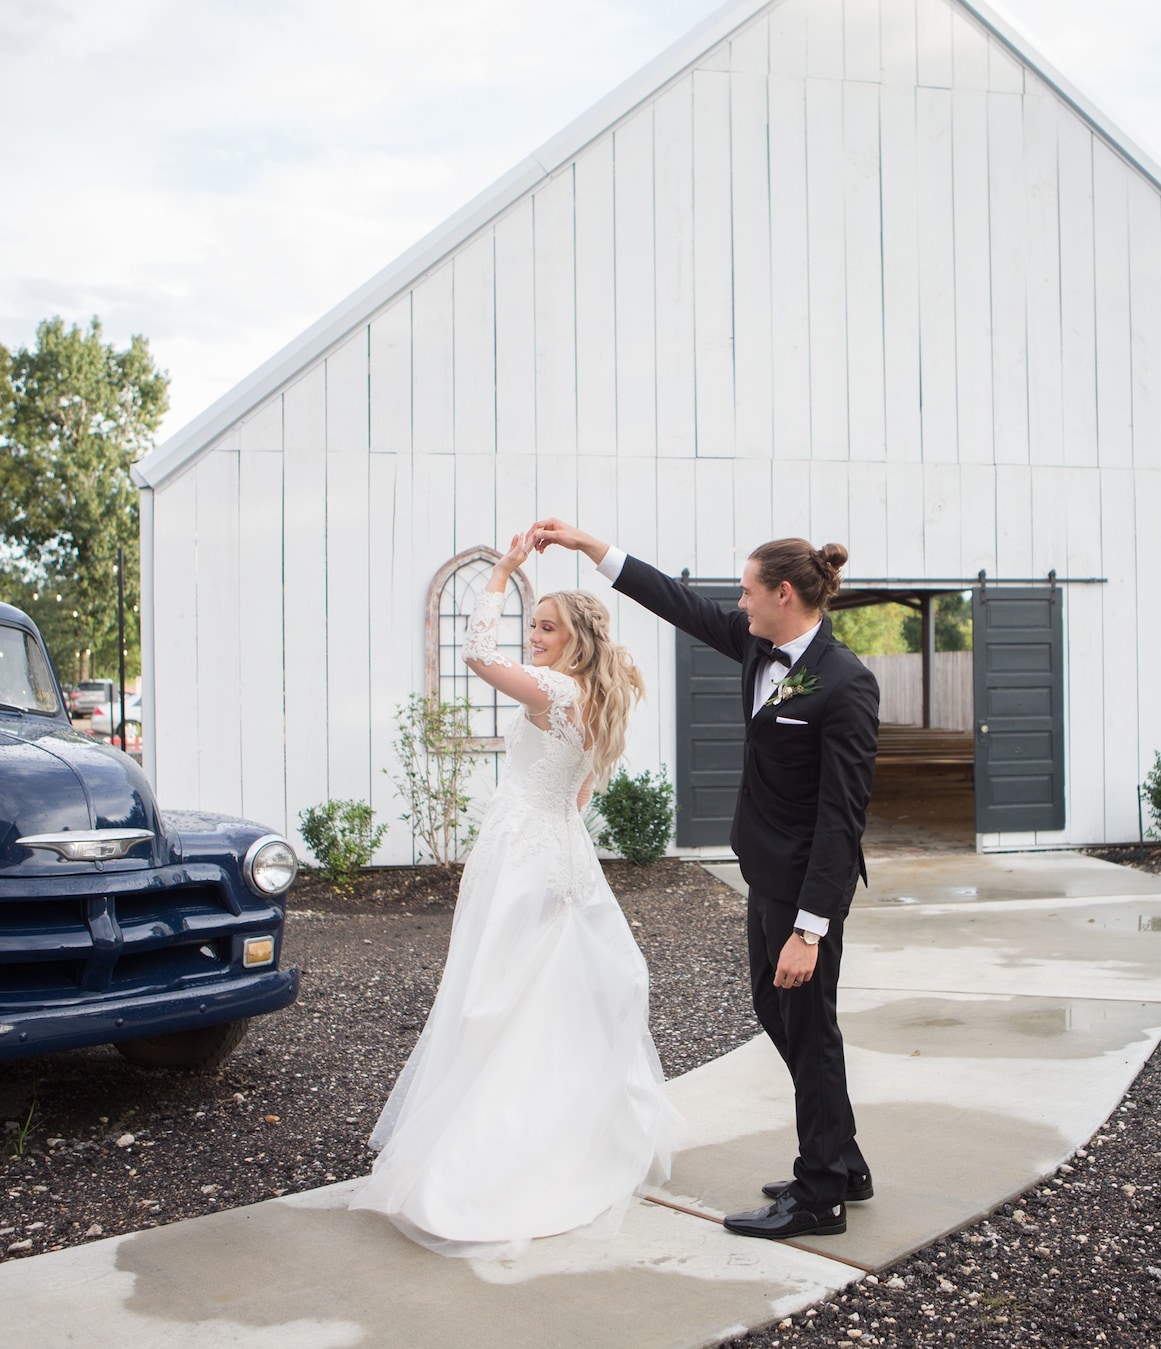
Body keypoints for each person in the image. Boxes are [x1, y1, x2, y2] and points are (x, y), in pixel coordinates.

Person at [530, 519, 880, 1241]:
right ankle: (840, 1159)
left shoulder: (846, 684)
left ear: (784, 593)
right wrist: (589, 546)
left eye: (749, 592)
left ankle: (820, 1197)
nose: (739, 604)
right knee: (780, 1014)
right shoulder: (761, 646)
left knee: (810, 1030)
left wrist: (811, 927)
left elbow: (842, 818)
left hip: (804, 889)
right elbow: (679, 603)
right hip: (765, 873)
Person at [349, 530, 683, 1258]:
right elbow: (582, 791)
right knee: (553, 991)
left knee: (498, 988)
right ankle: (572, 1128)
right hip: (559, 848)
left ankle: (495, 1151)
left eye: (546, 625)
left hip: (526, 851)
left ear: (575, 639)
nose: (533, 636)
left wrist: (501, 572)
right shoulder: (598, 694)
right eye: (533, 624)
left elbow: (474, 655)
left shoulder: (557, 689)